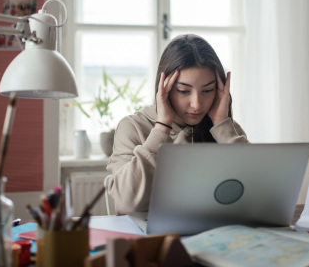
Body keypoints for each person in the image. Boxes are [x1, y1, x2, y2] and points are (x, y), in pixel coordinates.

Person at [106, 34, 248, 214]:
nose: (196, 104)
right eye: (183, 91)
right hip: (152, 239)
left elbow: (256, 192)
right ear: (164, 88)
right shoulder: (133, 127)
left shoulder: (226, 129)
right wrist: (162, 127)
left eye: (207, 90)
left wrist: (222, 125)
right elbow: (126, 203)